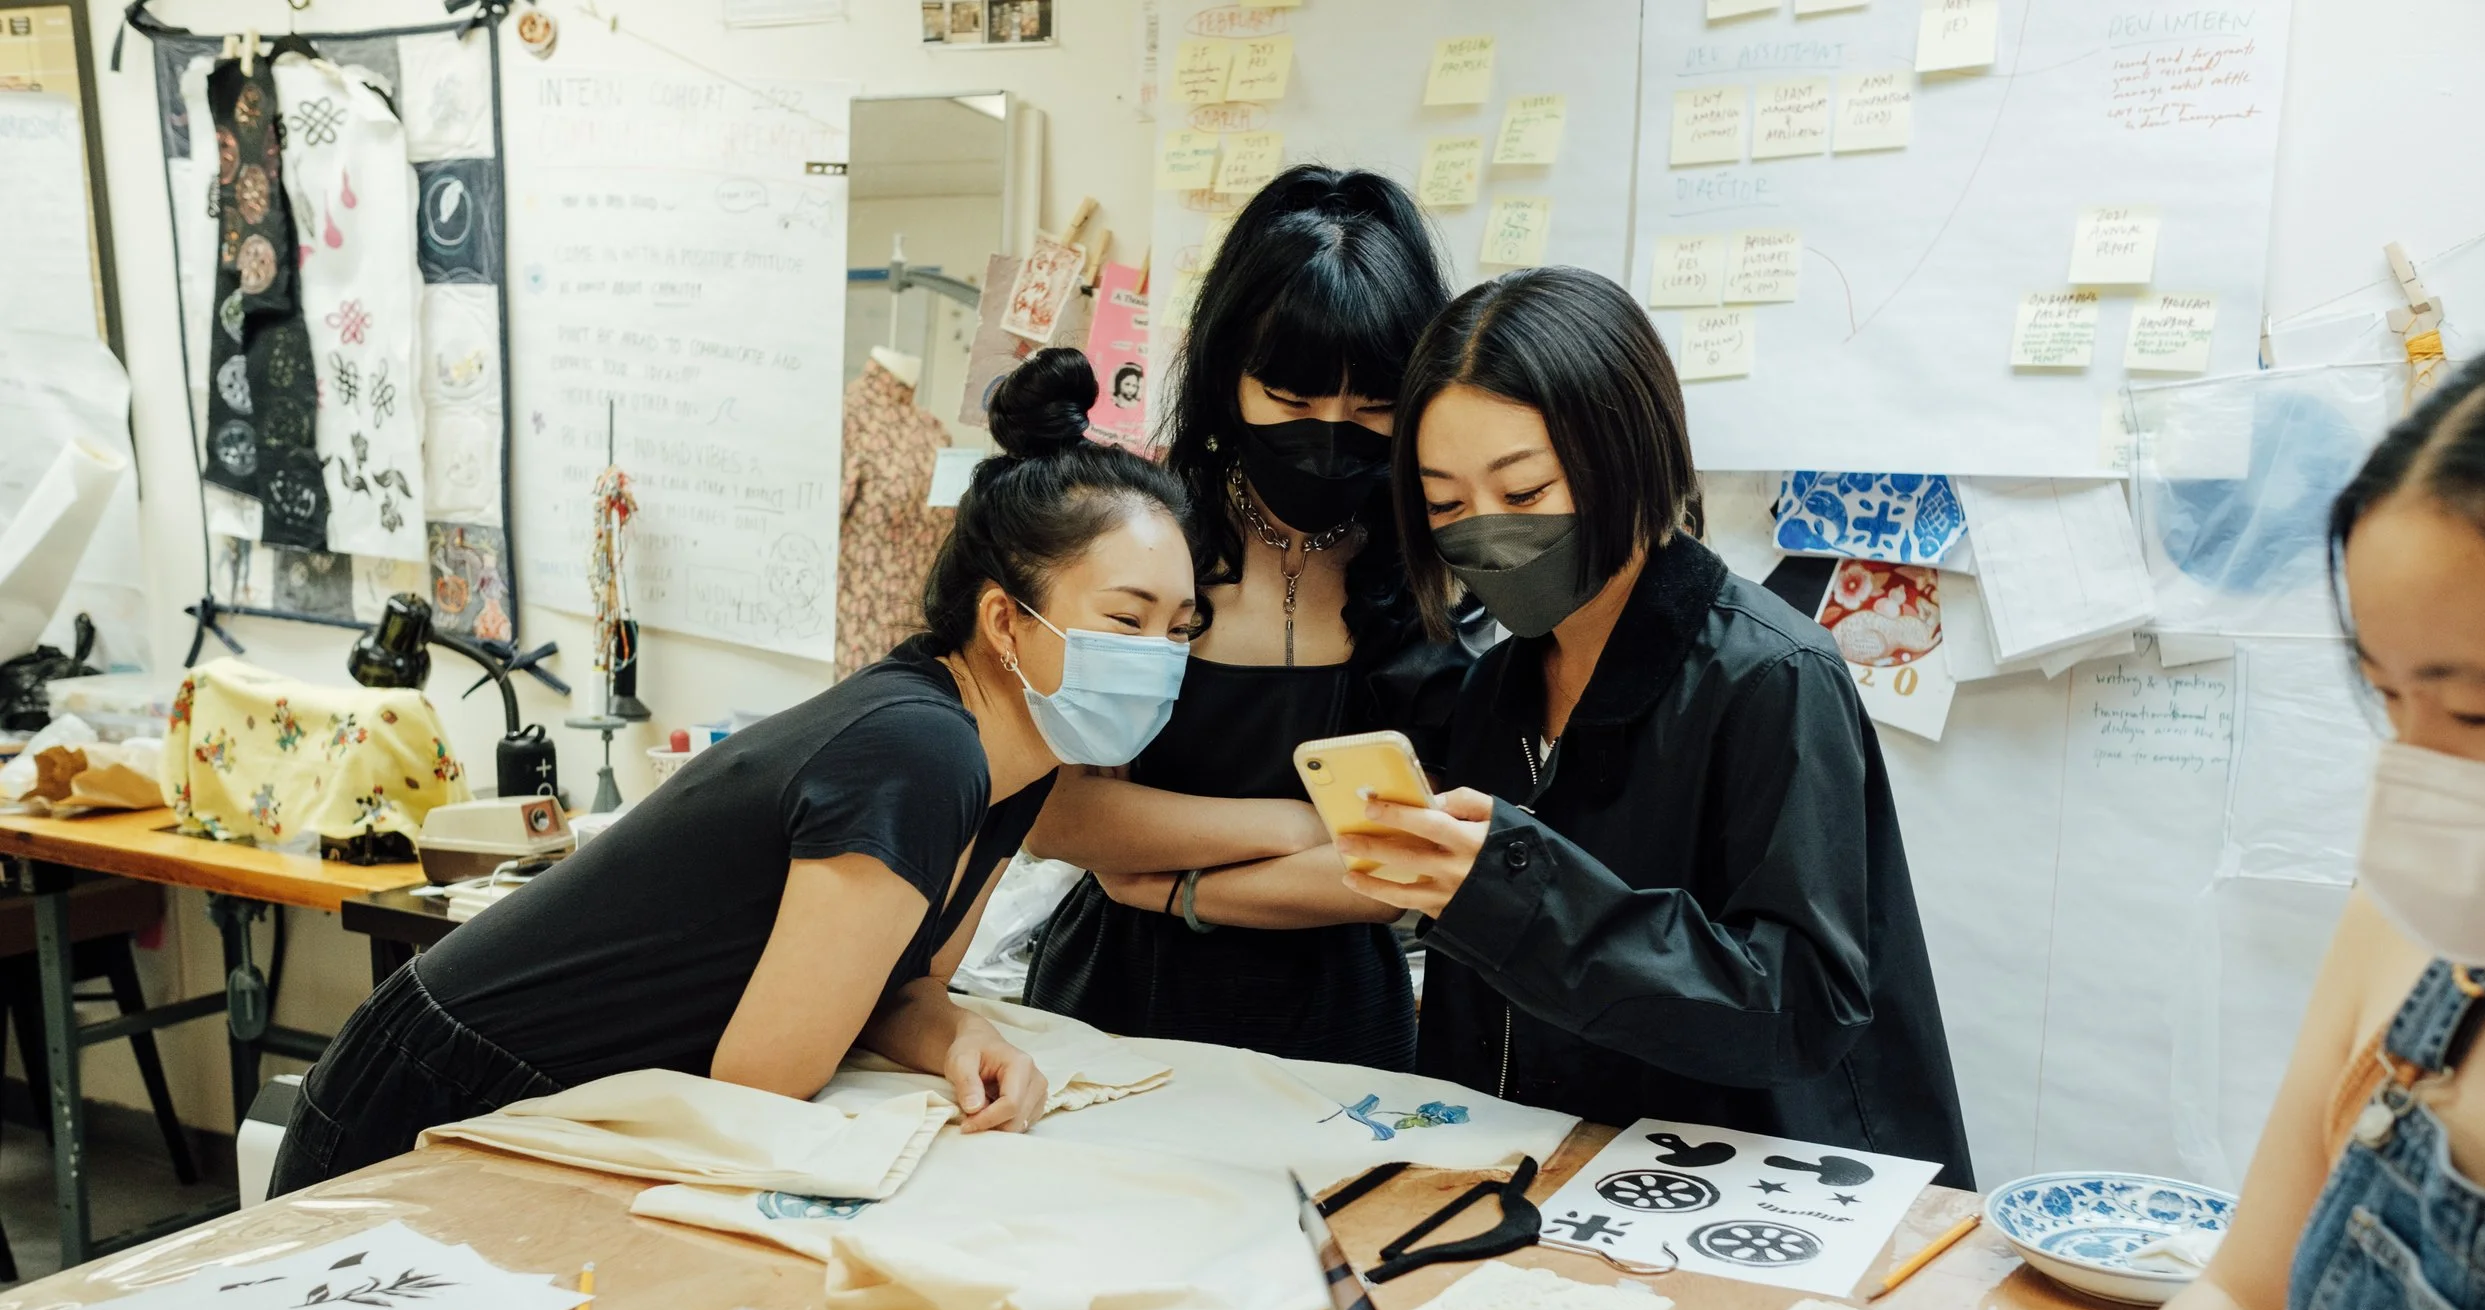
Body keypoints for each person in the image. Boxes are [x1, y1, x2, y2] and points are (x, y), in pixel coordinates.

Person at [1828, 347, 2485, 1310]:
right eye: (2384, 691)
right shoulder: (2418, 928)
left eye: (2476, 709)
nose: (2417, 772)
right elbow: (2254, 1302)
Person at [270, 350, 1196, 1190]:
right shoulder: (923, 747)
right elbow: (764, 1077)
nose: (1161, 654)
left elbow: (895, 990)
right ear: (1004, 621)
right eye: (1128, 620)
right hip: (437, 1089)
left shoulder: (1019, 760)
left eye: (1180, 628)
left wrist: (963, 1034)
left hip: (544, 1098)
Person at [1337, 266, 1973, 1183]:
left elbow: (1800, 1002)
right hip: (1547, 1172)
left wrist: (1524, 892)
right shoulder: (1494, 691)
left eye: (1523, 494)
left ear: (1625, 454)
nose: (1484, 532)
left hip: (1755, 1185)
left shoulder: (1772, 677)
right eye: (1446, 505)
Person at [1023, 165, 1472, 1070]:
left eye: (1373, 406)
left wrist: (1169, 886)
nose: (1331, 432)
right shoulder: (1141, 541)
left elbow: (1402, 876)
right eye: (1294, 400)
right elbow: (1055, 813)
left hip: (1345, 1028)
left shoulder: (1437, 562)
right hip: (1119, 1008)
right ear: (1230, 374)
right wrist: (1301, 828)